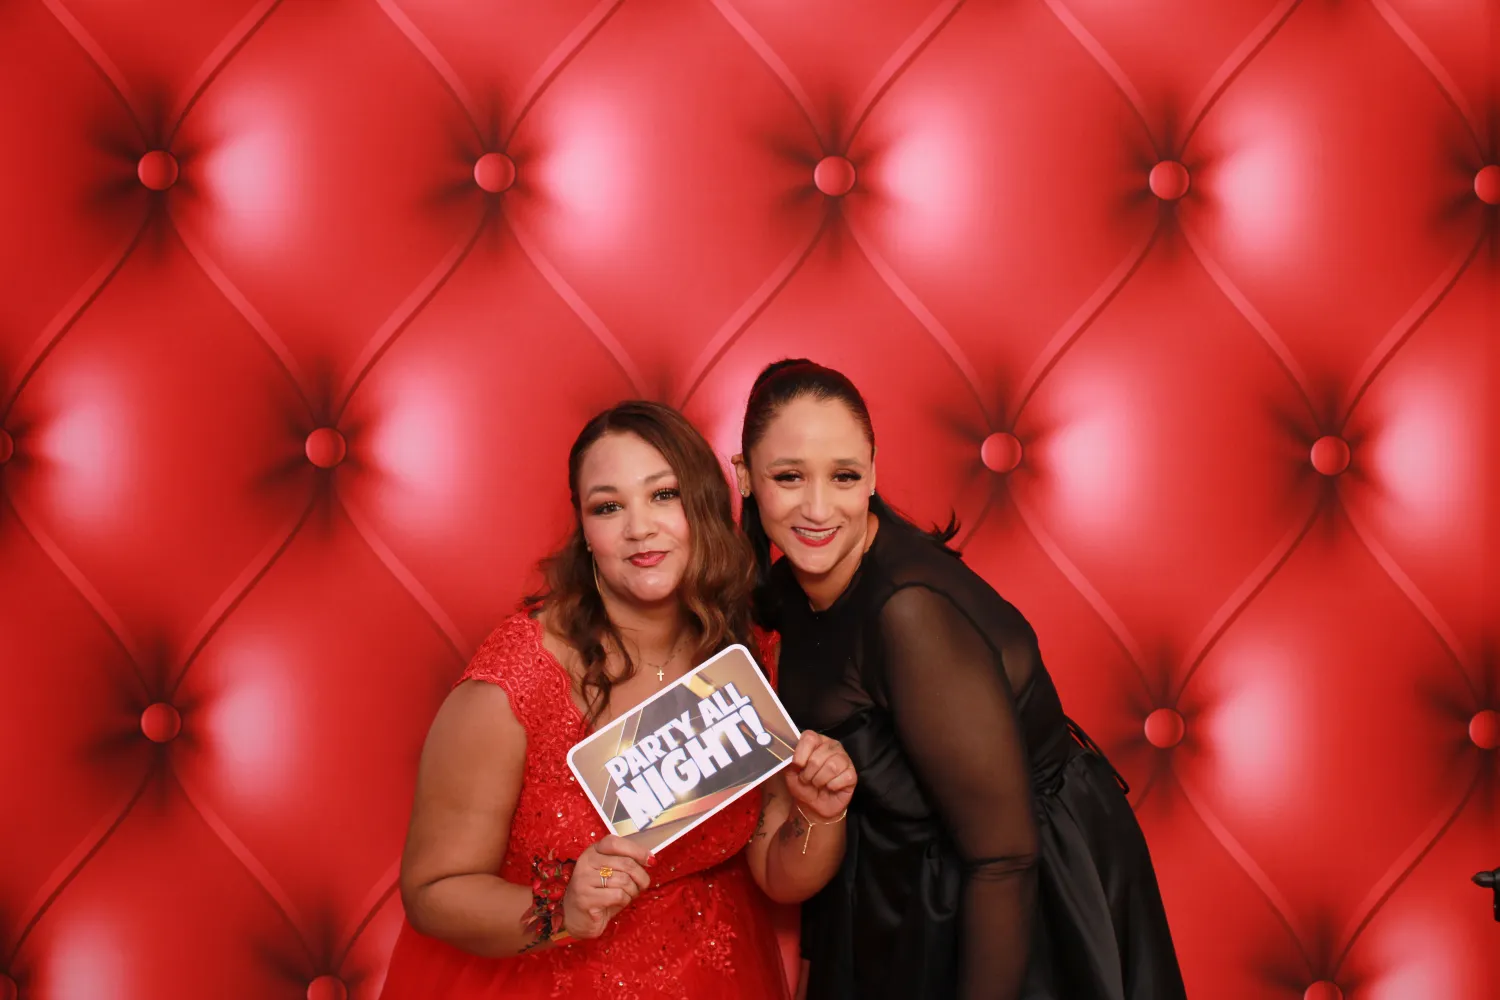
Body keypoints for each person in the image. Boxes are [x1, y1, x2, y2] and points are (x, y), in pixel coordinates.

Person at [732, 359, 1187, 1000]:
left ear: (873, 475)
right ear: (745, 476)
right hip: (905, 876)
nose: (817, 507)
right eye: (788, 477)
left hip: (1015, 891)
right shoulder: (786, 591)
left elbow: (1004, 856)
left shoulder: (910, 614)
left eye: (844, 476)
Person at [379, 400, 857, 1000]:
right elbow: (432, 891)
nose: (639, 529)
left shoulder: (744, 654)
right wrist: (562, 912)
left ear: (706, 505)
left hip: (719, 969)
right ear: (585, 530)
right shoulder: (516, 681)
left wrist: (820, 812)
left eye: (663, 495)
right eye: (608, 507)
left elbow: (777, 875)